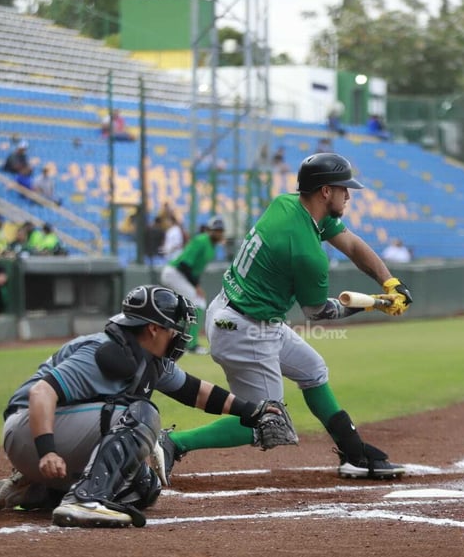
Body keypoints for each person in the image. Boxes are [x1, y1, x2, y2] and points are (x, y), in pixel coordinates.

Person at [155, 152, 413, 485]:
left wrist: (388, 282)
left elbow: (350, 243)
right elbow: (317, 312)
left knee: (313, 370)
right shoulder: (306, 251)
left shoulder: (289, 204)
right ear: (324, 191)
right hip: (244, 328)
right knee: (268, 421)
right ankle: (173, 443)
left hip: (246, 314)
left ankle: (355, 454)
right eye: (342, 189)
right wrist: (376, 303)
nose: (348, 195)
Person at [0, 285, 281, 528]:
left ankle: (35, 490)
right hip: (30, 430)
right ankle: (85, 499)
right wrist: (47, 449)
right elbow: (40, 393)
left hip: (53, 439)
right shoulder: (102, 352)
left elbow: (195, 392)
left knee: (142, 487)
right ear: (153, 329)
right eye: (173, 328)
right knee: (141, 414)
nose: (179, 334)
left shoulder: (146, 357)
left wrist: (252, 411)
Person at [160, 216, 226, 355]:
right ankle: (190, 345)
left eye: (220, 230)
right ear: (208, 230)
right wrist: (196, 286)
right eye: (215, 230)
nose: (218, 233)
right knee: (197, 303)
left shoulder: (211, 246)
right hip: (175, 273)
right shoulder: (201, 240)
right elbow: (185, 265)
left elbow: (195, 269)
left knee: (193, 304)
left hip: (179, 275)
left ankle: (182, 340)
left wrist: (197, 286)